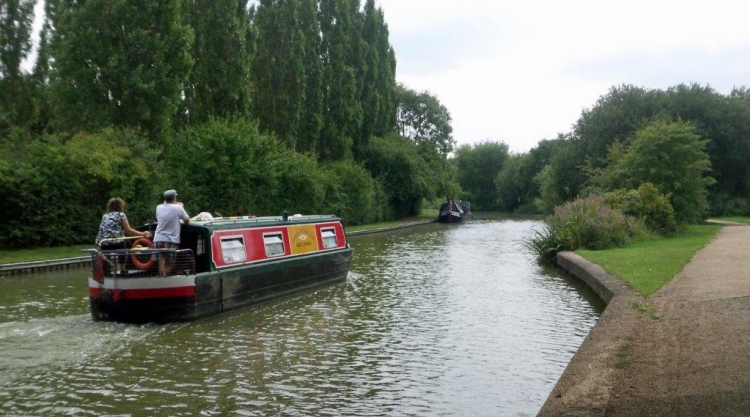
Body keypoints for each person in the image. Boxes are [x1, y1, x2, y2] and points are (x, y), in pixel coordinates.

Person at [95, 197, 151, 273]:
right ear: (120, 206)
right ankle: (123, 269)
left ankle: (106, 270)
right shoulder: (121, 215)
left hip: (103, 243)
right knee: (124, 245)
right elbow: (128, 230)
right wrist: (143, 234)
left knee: (110, 249)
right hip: (115, 242)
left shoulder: (105, 216)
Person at [153, 189, 190, 277]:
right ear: (174, 198)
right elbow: (187, 221)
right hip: (171, 239)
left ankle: (161, 278)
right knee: (171, 263)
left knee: (161, 260)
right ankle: (162, 278)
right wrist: (181, 207)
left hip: (158, 239)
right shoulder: (178, 207)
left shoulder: (158, 207)